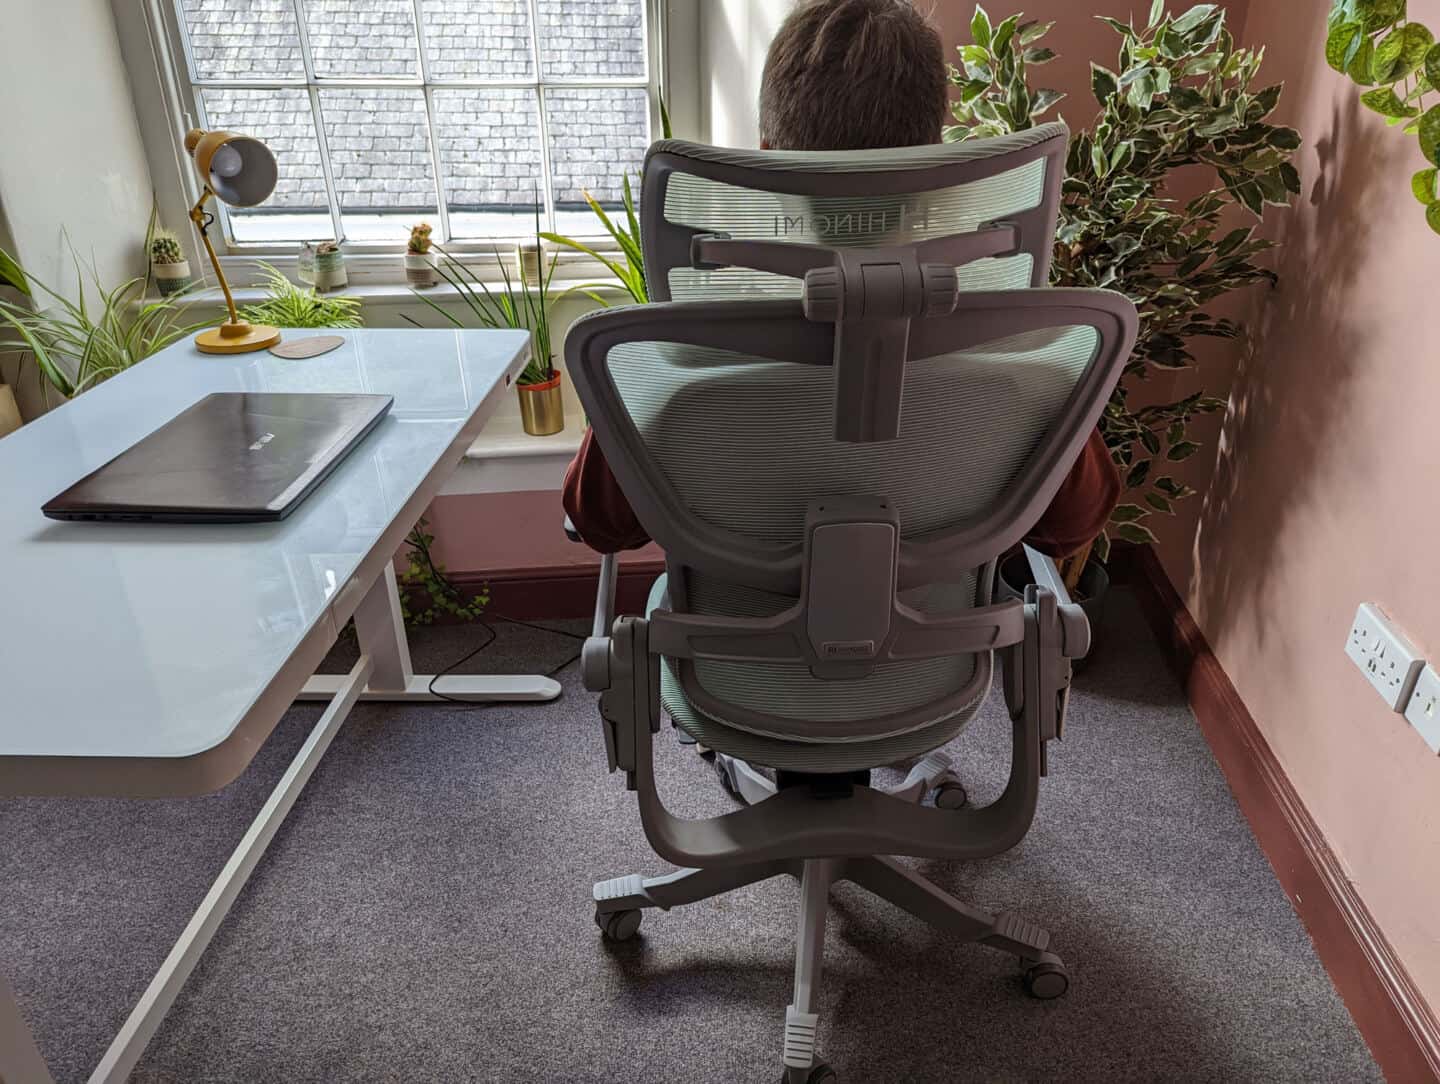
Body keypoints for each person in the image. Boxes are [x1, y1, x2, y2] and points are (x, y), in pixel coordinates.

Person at [562, 0, 1118, 561]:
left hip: (732, 644)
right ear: (937, 151)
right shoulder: (1011, 342)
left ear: (768, 158)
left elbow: (600, 525)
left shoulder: (685, 348)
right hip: (939, 645)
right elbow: (1070, 525)